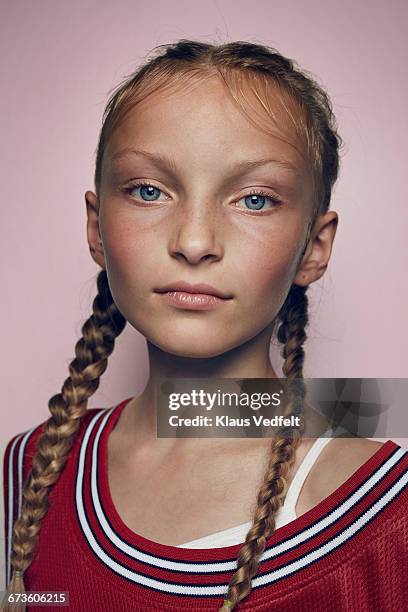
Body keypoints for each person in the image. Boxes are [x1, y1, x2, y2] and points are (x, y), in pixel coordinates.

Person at [2, 39, 408, 612]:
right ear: (96, 227)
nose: (193, 242)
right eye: (149, 191)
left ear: (314, 248)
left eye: (256, 200)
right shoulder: (29, 470)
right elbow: (49, 598)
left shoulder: (391, 519)